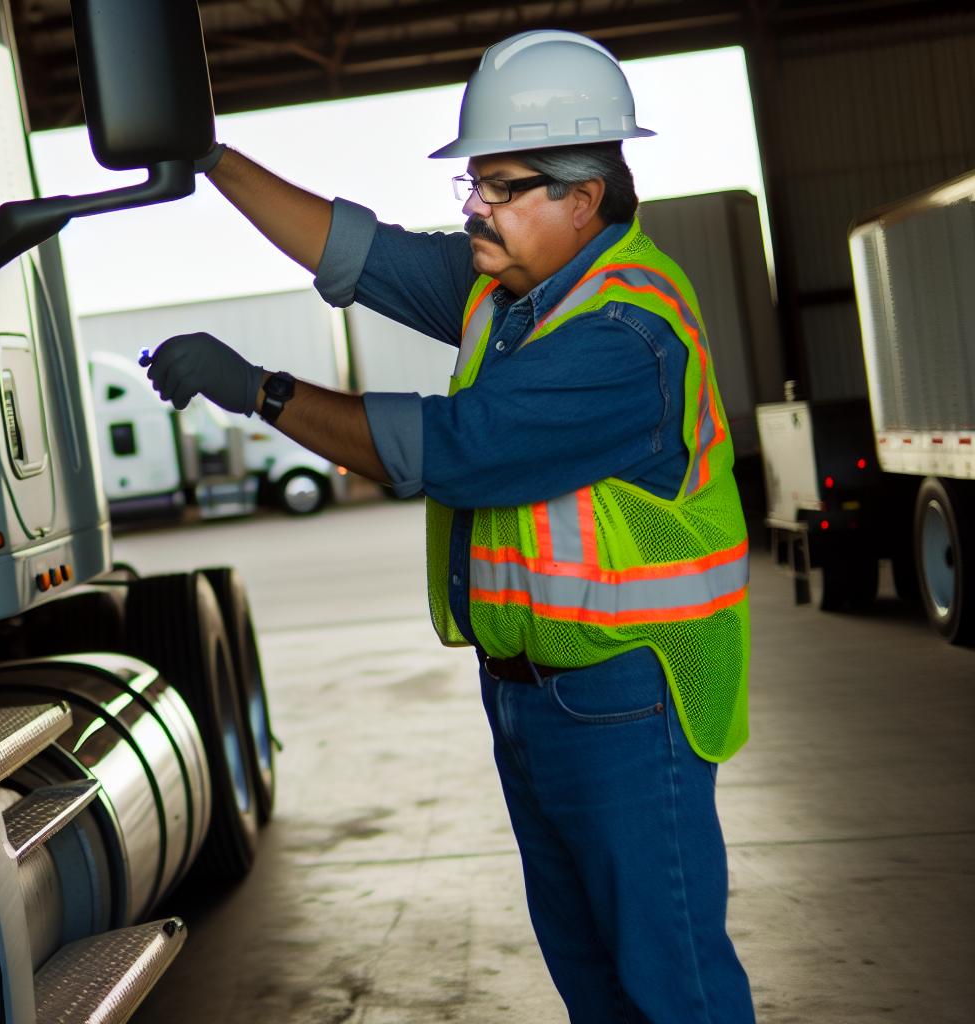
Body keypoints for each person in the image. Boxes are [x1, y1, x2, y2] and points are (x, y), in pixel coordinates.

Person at [143, 29, 756, 1024]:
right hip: (528, 695)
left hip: (625, 698)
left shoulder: (624, 334)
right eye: (474, 182)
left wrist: (260, 389)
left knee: (667, 981)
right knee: (593, 980)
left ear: (583, 195)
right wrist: (209, 158)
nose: (474, 205)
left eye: (501, 185)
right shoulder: (506, 290)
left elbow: (447, 447)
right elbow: (356, 251)